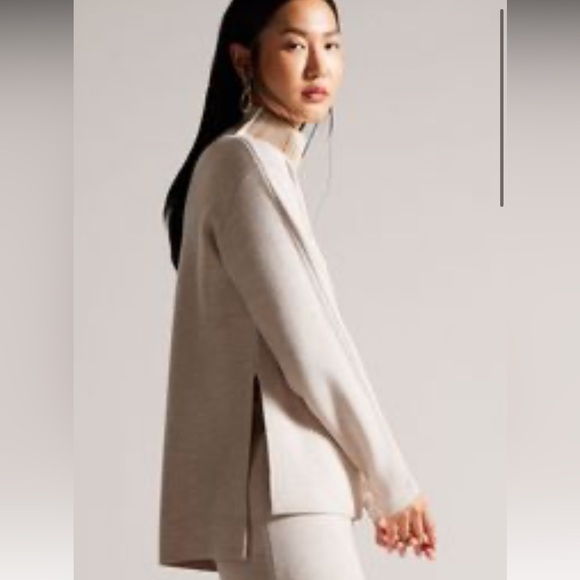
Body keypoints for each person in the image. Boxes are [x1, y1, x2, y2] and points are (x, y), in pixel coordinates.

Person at [159, 0, 438, 577]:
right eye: (294, 45)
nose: (318, 66)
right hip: (285, 494)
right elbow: (313, 345)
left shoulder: (246, 164)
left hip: (282, 493)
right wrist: (392, 481)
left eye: (331, 45)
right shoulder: (246, 165)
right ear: (244, 60)